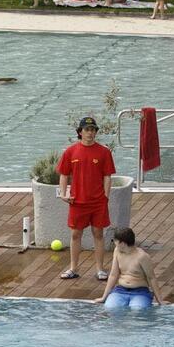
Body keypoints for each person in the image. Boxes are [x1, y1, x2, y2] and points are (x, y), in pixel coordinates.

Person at [56, 117, 117, 281]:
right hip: (77, 202)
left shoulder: (104, 152)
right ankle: (73, 268)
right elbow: (64, 175)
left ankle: (100, 270)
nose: (90, 133)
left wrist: (105, 196)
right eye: (87, 129)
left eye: (93, 130)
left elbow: (107, 176)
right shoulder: (70, 152)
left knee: (98, 233)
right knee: (76, 235)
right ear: (80, 132)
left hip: (98, 202)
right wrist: (64, 194)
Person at [100, 228, 157, 312]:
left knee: (137, 311)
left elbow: (151, 278)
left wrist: (160, 301)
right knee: (110, 309)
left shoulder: (142, 257)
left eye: (115, 241)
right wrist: (104, 297)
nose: (114, 243)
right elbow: (113, 275)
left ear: (122, 243)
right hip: (120, 290)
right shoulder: (117, 251)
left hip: (140, 292)